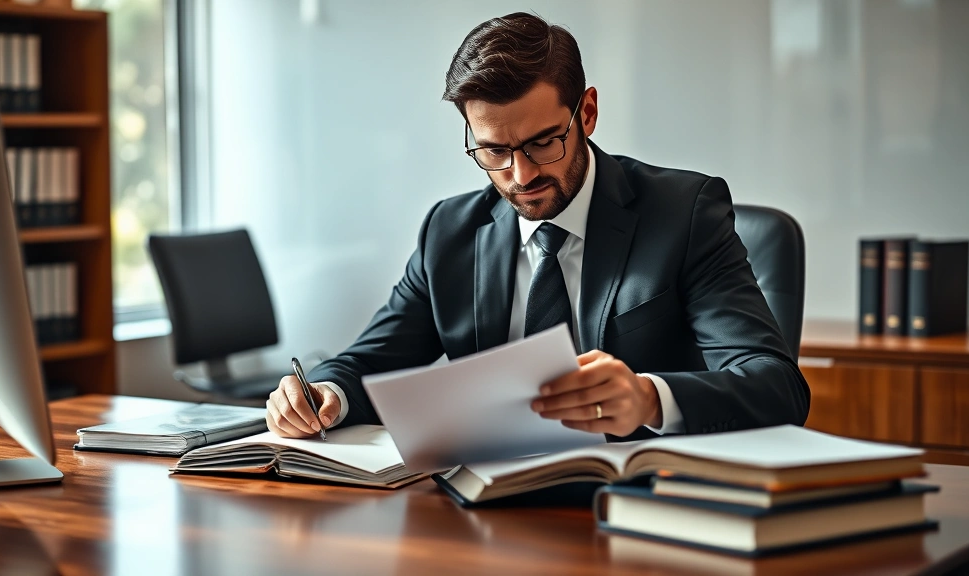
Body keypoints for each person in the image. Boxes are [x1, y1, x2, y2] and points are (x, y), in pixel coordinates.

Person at [265, 12, 810, 442]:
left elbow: (777, 386)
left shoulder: (684, 213)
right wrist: (323, 392)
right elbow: (370, 362)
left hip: (639, 505)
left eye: (543, 142)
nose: (521, 175)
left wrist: (647, 398)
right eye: (494, 151)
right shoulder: (450, 232)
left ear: (587, 112)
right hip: (485, 510)